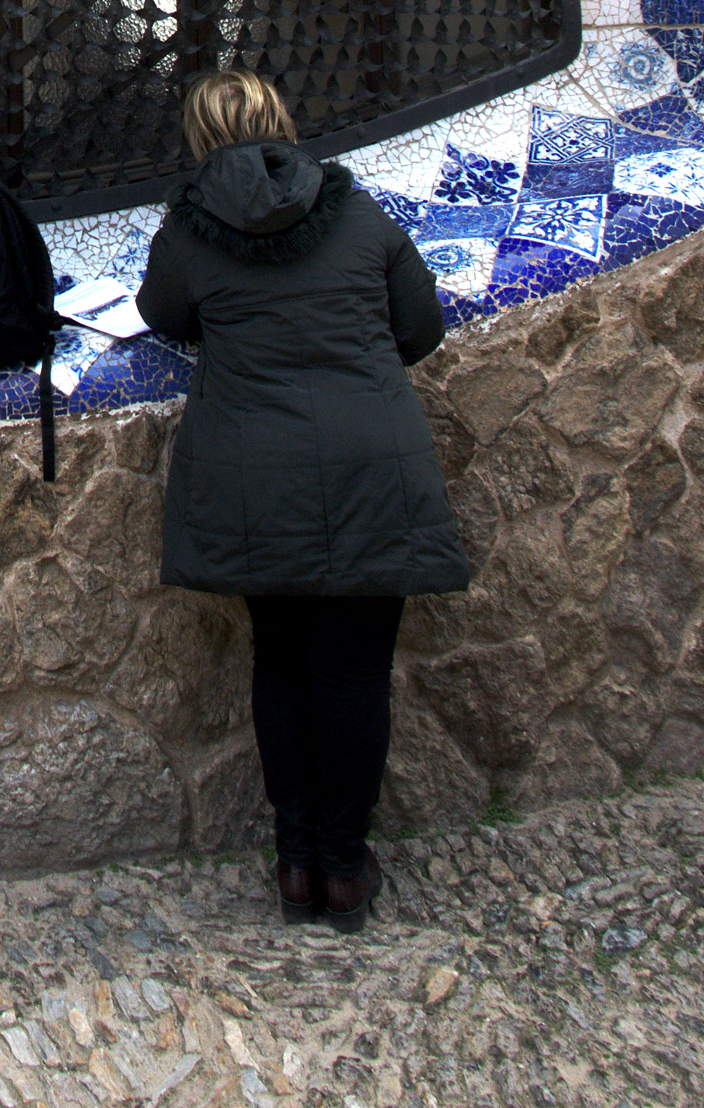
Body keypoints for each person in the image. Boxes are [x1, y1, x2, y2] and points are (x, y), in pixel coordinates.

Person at [136, 68, 469, 932]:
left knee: (280, 663)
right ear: (282, 120)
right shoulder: (356, 212)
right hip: (370, 462)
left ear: (200, 137)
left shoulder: (188, 231)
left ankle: (294, 865)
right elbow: (419, 329)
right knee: (356, 674)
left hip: (256, 476)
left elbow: (162, 315)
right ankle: (345, 869)